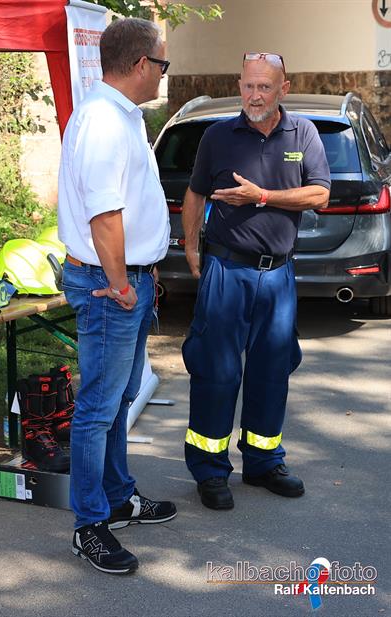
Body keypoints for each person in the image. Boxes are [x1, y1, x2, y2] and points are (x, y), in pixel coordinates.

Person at [181, 52, 330, 510]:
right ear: (239, 86)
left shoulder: (303, 133)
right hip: (227, 270)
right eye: (248, 86)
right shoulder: (217, 136)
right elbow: (195, 193)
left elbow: (320, 194)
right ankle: (210, 470)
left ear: (284, 89)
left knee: (272, 371)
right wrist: (191, 246)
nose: (255, 96)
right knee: (216, 372)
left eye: (264, 87)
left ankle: (263, 462)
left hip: (278, 275)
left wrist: (262, 196)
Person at [57, 17, 176, 576]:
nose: (163, 73)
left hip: (127, 281)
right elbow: (104, 216)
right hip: (113, 285)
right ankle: (89, 526)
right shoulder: (104, 121)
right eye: (162, 64)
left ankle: (118, 497)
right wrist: (124, 284)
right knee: (99, 408)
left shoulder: (120, 114)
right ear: (140, 64)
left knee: (120, 398)